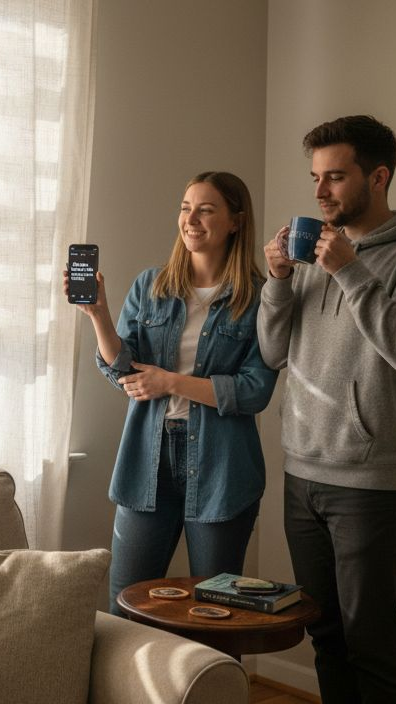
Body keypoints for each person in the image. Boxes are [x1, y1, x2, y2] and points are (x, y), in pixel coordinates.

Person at [258, 115, 396, 704]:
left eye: (335, 177)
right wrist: (280, 280)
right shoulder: (317, 249)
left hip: (371, 483)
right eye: (315, 178)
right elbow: (272, 350)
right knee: (327, 639)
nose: (320, 193)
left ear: (378, 176)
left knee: (373, 647)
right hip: (303, 471)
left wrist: (349, 272)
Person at [65, 171, 277, 614]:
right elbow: (122, 370)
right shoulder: (151, 286)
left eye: (206, 209)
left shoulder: (258, 297)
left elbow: (255, 390)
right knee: (128, 608)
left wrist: (170, 382)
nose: (191, 219)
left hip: (223, 467)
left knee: (218, 612)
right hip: (148, 459)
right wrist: (99, 314)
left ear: (235, 221)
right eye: (185, 208)